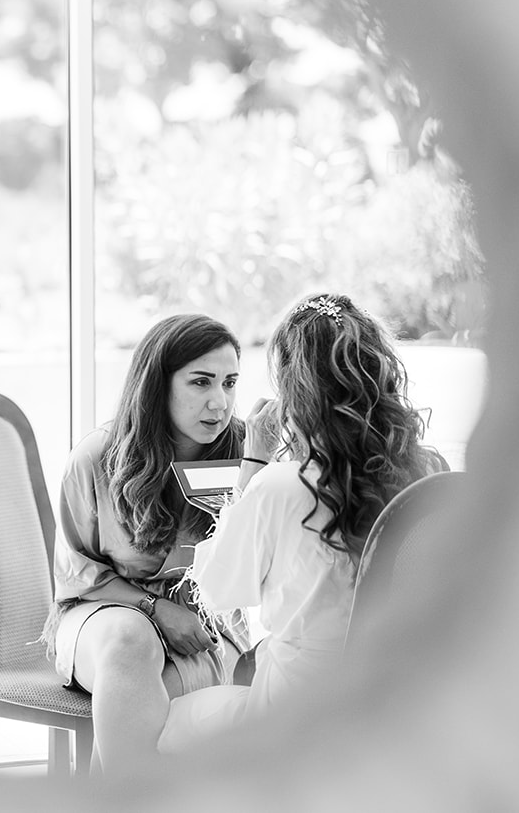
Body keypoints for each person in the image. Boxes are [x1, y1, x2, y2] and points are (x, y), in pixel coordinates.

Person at [157, 292, 447, 752]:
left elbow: (218, 590)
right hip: (405, 706)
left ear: (297, 390)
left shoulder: (282, 487)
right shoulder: (430, 473)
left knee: (168, 722)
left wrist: (254, 462)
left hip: (301, 711)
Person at [44, 313, 252, 775]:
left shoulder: (246, 454)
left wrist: (258, 466)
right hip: (101, 618)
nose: (219, 402)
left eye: (230, 383)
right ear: (158, 384)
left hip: (204, 628)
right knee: (129, 642)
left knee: (130, 708)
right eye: (201, 382)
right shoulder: (96, 459)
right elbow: (78, 575)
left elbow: (258, 566)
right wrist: (156, 610)